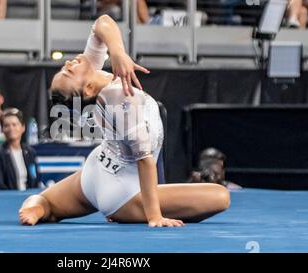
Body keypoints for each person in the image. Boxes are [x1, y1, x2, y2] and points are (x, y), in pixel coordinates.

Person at [19, 15, 230, 228]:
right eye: (69, 71)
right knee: (220, 196)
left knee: (46, 201)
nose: (68, 62)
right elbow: (145, 160)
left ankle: (36, 209)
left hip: (97, 169)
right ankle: (131, 212)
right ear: (88, 89)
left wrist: (118, 52)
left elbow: (102, 23)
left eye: (64, 68)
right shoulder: (121, 100)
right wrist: (154, 215)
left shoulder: (93, 73)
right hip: (123, 193)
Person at [0, 108, 40, 190]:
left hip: (29, 199)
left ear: (23, 127)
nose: (11, 129)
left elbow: (35, 179)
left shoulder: (30, 153)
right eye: (6, 125)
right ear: (2, 129)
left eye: (14, 124)